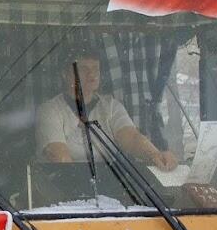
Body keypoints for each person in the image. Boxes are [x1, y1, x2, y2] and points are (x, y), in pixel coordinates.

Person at [36, 52, 178, 169]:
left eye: (95, 68)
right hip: (63, 188)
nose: (92, 74)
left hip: (107, 186)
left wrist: (154, 154)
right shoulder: (49, 110)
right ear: (65, 74)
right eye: (84, 69)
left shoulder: (111, 106)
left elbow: (131, 137)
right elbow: (60, 157)